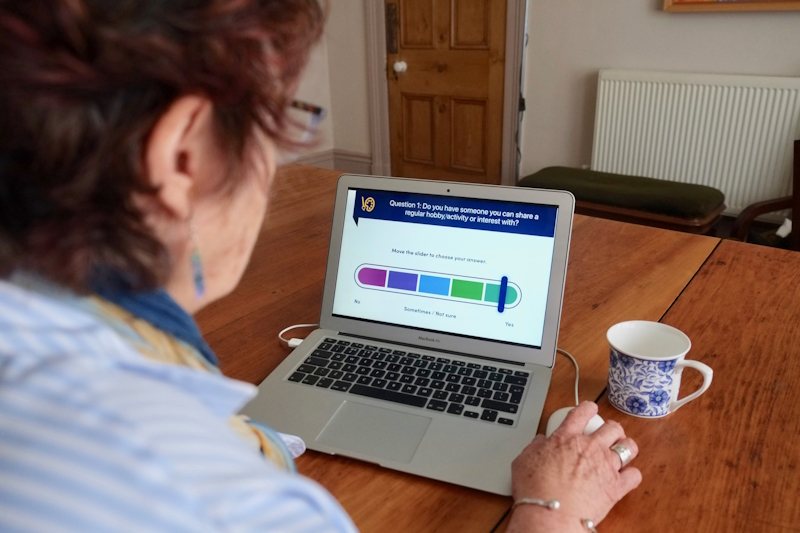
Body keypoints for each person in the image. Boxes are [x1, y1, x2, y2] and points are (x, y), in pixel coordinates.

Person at [0, 1, 641, 532]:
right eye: (276, 126)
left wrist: (262, 438)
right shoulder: (225, 501)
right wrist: (553, 510)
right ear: (184, 154)